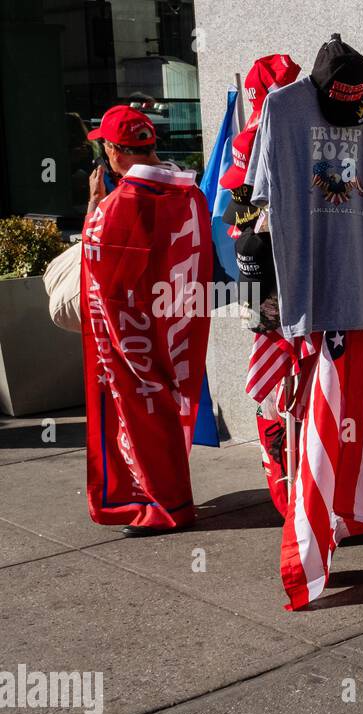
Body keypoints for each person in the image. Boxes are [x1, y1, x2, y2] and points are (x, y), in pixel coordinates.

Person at [81, 105, 213, 535]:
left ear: (116, 153)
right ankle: (171, 494)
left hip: (134, 327)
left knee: (143, 408)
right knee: (167, 406)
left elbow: (102, 270)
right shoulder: (188, 191)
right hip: (176, 317)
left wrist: (94, 208)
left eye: (104, 145)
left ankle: (165, 504)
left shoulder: (124, 202)